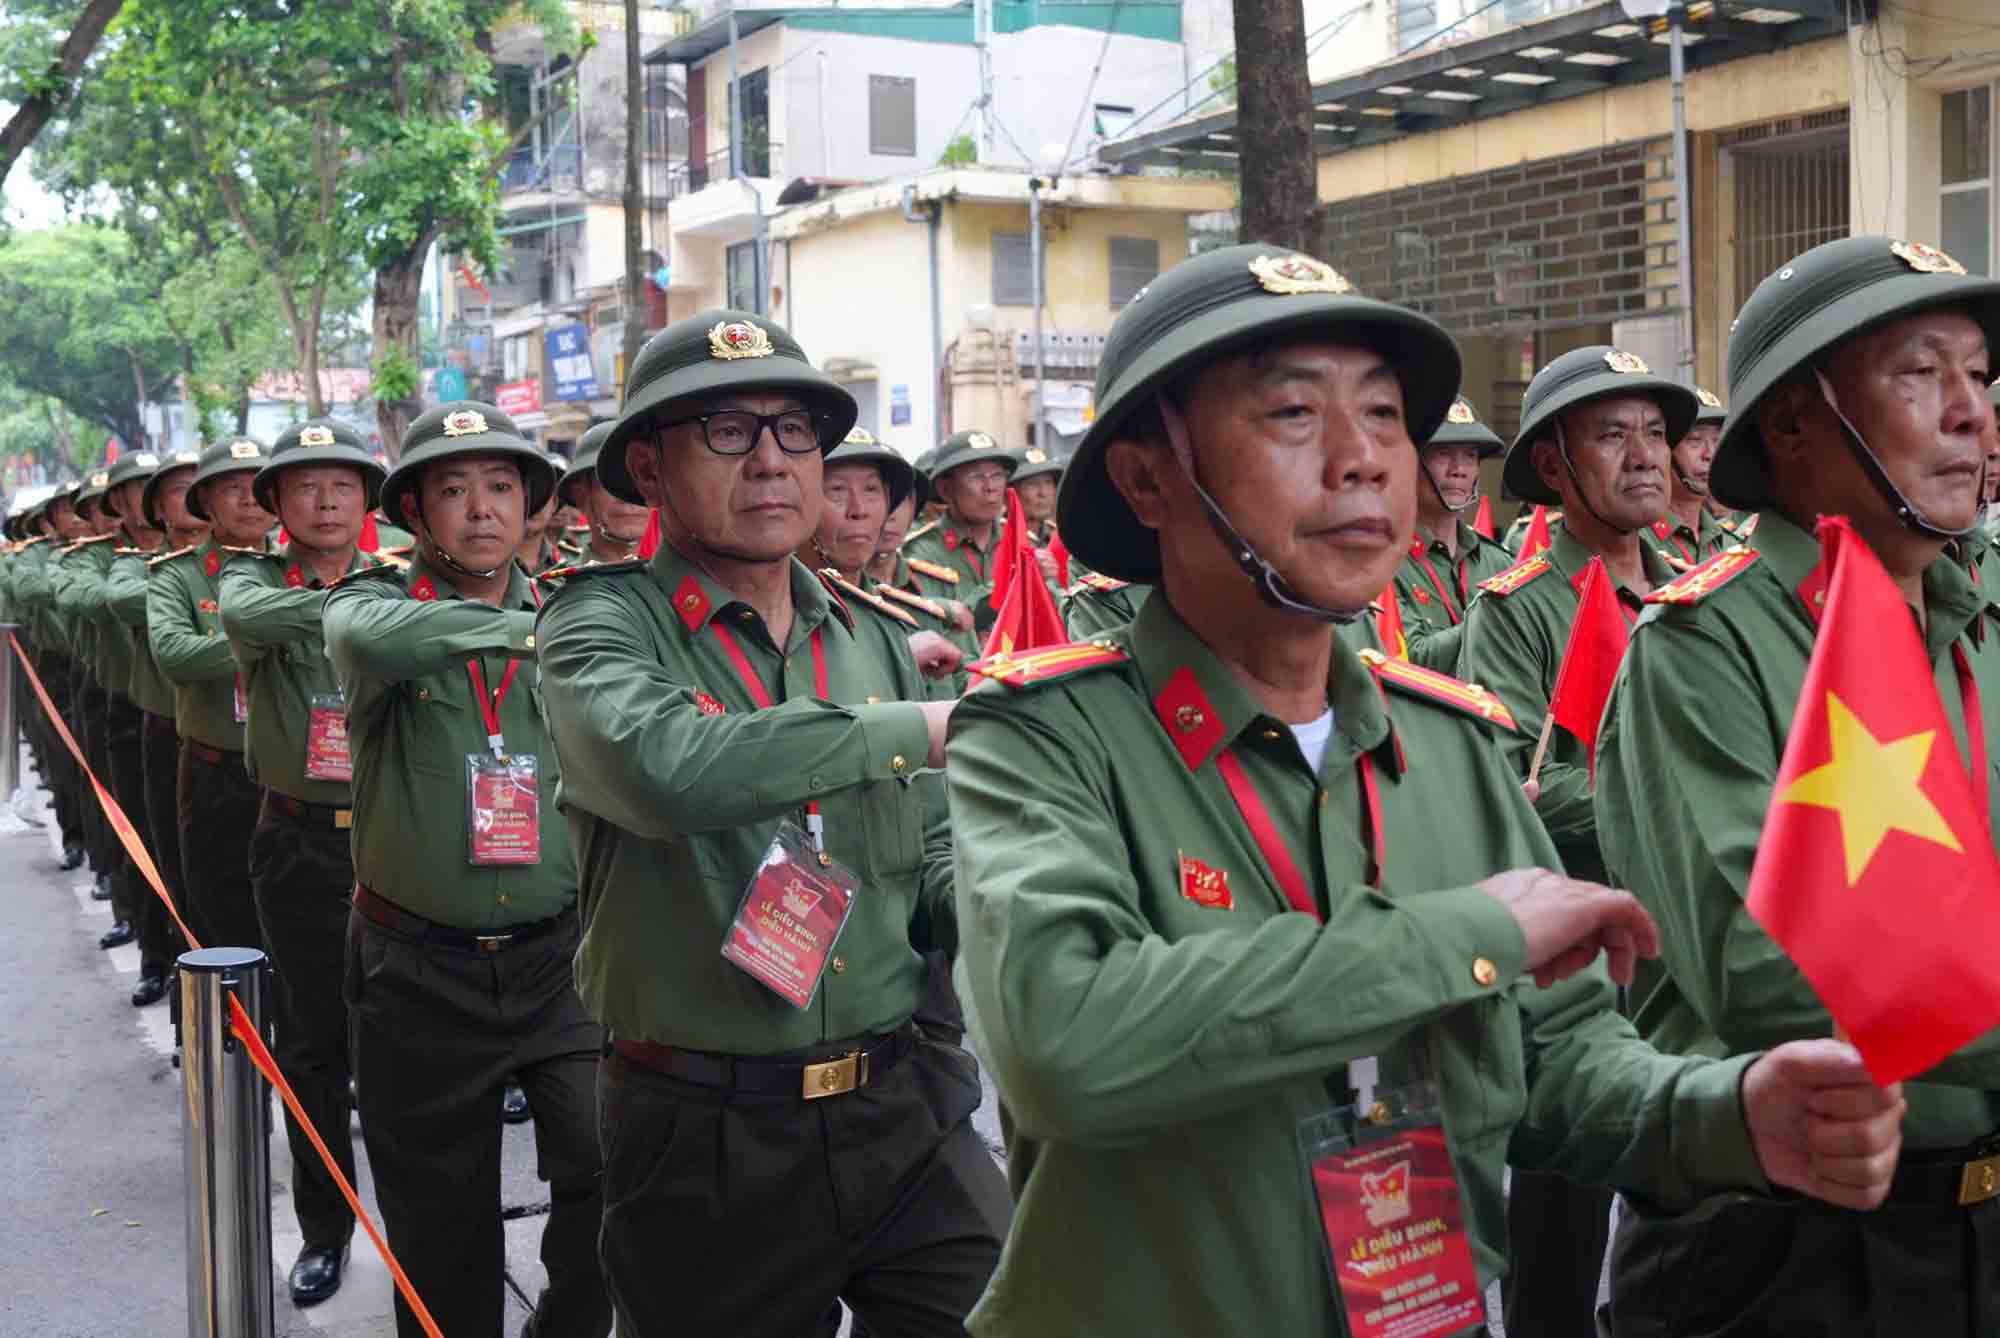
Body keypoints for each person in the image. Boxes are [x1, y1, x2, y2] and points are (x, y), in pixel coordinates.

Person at [944, 243, 1905, 1338]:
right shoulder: (1044, 735)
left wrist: (1723, 1112)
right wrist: (1470, 931)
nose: (1361, 460)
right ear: (1146, 477)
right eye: (1292, 416)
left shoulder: (1444, 743)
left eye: (1386, 415)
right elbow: (1066, 1042)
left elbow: (1555, 1055)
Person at [536, 310, 1010, 1338]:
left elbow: (926, 852)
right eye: (725, 430)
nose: (769, 462)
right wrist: (920, 727)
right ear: (650, 468)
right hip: (706, 1128)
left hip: (902, 1100)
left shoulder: (870, 636)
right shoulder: (600, 625)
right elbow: (667, 770)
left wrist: (1026, 912)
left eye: (795, 431)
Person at [1596, 235, 2000, 1336]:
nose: (1968, 412)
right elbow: (1766, 971)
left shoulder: (1980, 617)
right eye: (1920, 374)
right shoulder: (1700, 649)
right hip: (1781, 1249)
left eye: (1977, 375)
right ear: (1787, 422)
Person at [323, 402, 608, 1338]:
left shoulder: (576, 608)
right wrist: (529, 638)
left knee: (604, 1165)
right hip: (417, 968)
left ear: (531, 506)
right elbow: (374, 645)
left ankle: (563, 1323)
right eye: (453, 490)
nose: (480, 510)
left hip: (559, 960)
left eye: (500, 487)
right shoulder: (370, 607)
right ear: (417, 513)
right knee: (440, 1220)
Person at [1457, 348, 1691, 1336]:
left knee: (1692, 1195)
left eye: (1653, 433)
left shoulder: (1694, 592)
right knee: (1558, 1220)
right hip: (1573, 955)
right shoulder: (1512, 609)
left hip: (1686, 941)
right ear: (1551, 466)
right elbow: (1515, 782)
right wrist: (1674, 815)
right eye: (1610, 435)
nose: (1643, 458)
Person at [218, 419, 391, 1305]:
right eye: (307, 487)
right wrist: (386, 608)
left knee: (400, 1047)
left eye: (343, 485)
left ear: (368, 499)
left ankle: (421, 1228)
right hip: (299, 843)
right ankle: (327, 1228)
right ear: (277, 504)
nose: (327, 501)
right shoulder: (251, 581)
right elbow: (246, 618)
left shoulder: (404, 569)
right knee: (315, 1047)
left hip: (399, 840)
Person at [149, 437, 276, 952]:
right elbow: (175, 654)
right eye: (232, 489)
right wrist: (276, 636)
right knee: (217, 913)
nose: (249, 500)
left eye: (258, 487)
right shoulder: (176, 576)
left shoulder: (299, 571)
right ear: (205, 502)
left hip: (302, 780)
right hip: (217, 772)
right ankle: (215, 1026)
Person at [106, 447, 208, 1007]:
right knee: (162, 854)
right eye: (178, 489)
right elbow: (115, 597)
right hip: (170, 730)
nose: (193, 497)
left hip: (255, 741)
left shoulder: (254, 567)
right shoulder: (144, 569)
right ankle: (161, 962)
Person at [85, 452, 168, 976]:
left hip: (232, 730)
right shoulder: (113, 560)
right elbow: (109, 598)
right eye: (140, 489)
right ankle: (153, 953)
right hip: (135, 708)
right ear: (119, 503)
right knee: (139, 833)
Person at [1389, 396, 1513, 672]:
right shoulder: (1383, 562)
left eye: (1470, 456)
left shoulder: (1500, 563)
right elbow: (1411, 658)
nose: (1458, 470)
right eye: (1443, 453)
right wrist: (1500, 619)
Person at [900, 429, 1015, 632]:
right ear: (946, 489)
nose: (990, 487)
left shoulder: (1017, 540)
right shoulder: (922, 551)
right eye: (976, 477)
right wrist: (1010, 583)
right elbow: (939, 624)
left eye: (997, 475)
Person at [1640, 386, 1733, 567]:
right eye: (1695, 440)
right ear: (1664, 450)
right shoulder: (1638, 542)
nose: (1710, 454)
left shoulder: (1730, 542)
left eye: (1717, 440)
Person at [555, 421, 650, 567]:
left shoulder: (688, 579)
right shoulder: (556, 587)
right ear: (581, 495)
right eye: (613, 483)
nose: (628, 498)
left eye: (642, 477)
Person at [514, 450, 575, 575]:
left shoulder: (573, 567)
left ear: (554, 503)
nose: (534, 503)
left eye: (542, 494)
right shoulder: (482, 567)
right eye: (524, 492)